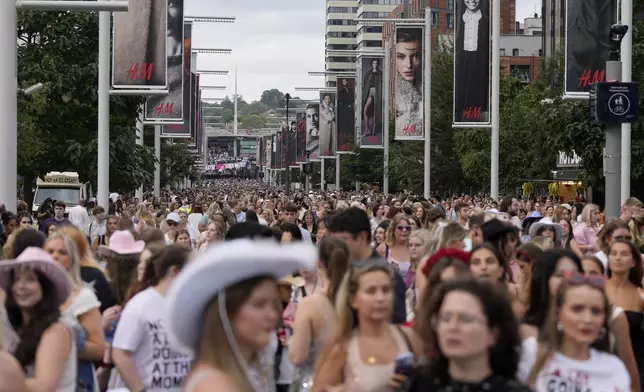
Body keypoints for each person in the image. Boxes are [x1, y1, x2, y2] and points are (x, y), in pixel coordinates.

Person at [166, 239, 317, 391]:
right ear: (226, 313)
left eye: (274, 304)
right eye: (259, 304)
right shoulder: (215, 385)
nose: (273, 315)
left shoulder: (237, 374)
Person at [327, 207, 407, 324]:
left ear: (362, 237)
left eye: (343, 240)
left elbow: (395, 324)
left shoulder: (388, 277)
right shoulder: (340, 270)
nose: (337, 247)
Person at [454, 0, 490, 123]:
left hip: (479, 63)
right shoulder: (459, 21)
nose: (472, 1)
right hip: (464, 62)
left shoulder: (486, 21)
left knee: (477, 88)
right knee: (464, 89)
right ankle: (466, 113)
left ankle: (477, 113)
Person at [395, 28, 423, 137]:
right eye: (401, 57)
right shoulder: (390, 90)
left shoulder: (431, 87)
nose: (409, 65)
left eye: (416, 56)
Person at [362, 58, 383, 140]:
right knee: (365, 110)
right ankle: (367, 130)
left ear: (378, 64)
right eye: (374, 63)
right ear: (372, 64)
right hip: (369, 92)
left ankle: (374, 130)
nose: (375, 64)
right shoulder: (368, 73)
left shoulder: (380, 74)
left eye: (377, 63)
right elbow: (365, 84)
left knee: (375, 111)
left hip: (377, 92)